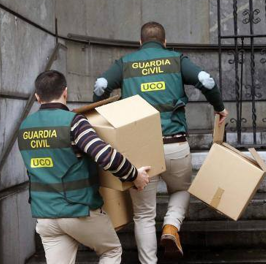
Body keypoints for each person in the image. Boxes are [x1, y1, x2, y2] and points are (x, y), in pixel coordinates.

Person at [93, 21, 228, 263]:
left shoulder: (126, 63)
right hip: (174, 144)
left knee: (143, 215)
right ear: (165, 42)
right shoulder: (176, 59)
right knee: (182, 189)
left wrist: (104, 117)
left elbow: (101, 85)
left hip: (139, 152)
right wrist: (219, 108)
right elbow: (207, 81)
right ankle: (170, 227)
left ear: (140, 43)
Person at [18, 70, 151, 264]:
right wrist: (134, 175)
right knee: (111, 251)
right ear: (66, 92)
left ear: (37, 97)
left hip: (45, 216)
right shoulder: (74, 123)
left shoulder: (24, 127)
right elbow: (106, 156)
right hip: (78, 210)